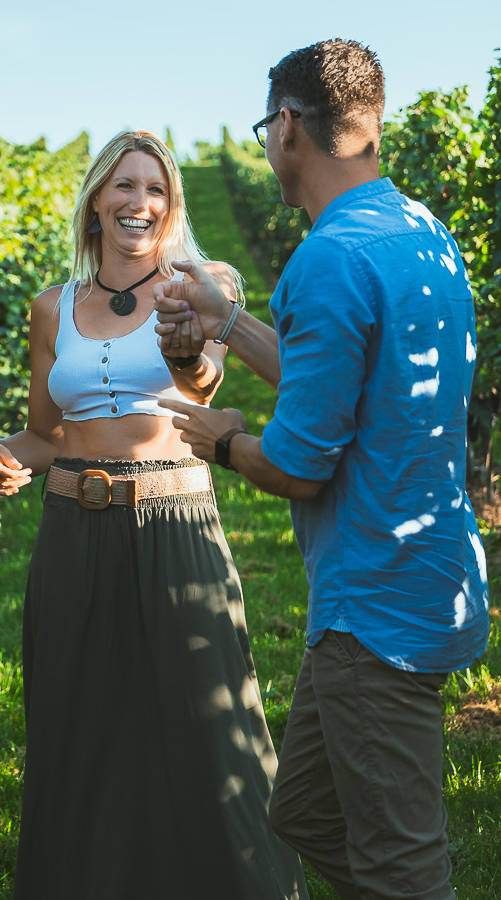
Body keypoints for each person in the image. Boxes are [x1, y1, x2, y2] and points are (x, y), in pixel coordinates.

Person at [154, 40, 490, 900]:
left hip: (372, 606)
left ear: (289, 127)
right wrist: (227, 319)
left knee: (400, 868)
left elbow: (300, 467)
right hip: (424, 572)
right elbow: (340, 380)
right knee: (303, 811)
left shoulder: (328, 259)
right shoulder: (422, 232)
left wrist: (223, 438)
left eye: (268, 125)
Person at [0, 130, 306, 900]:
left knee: (208, 725)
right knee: (78, 724)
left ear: (172, 204)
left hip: (175, 525)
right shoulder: (52, 307)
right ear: (96, 200)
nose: (140, 203)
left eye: (155, 190)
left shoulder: (201, 282)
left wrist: (190, 351)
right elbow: (47, 435)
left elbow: (203, 385)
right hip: (72, 531)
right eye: (124, 186)